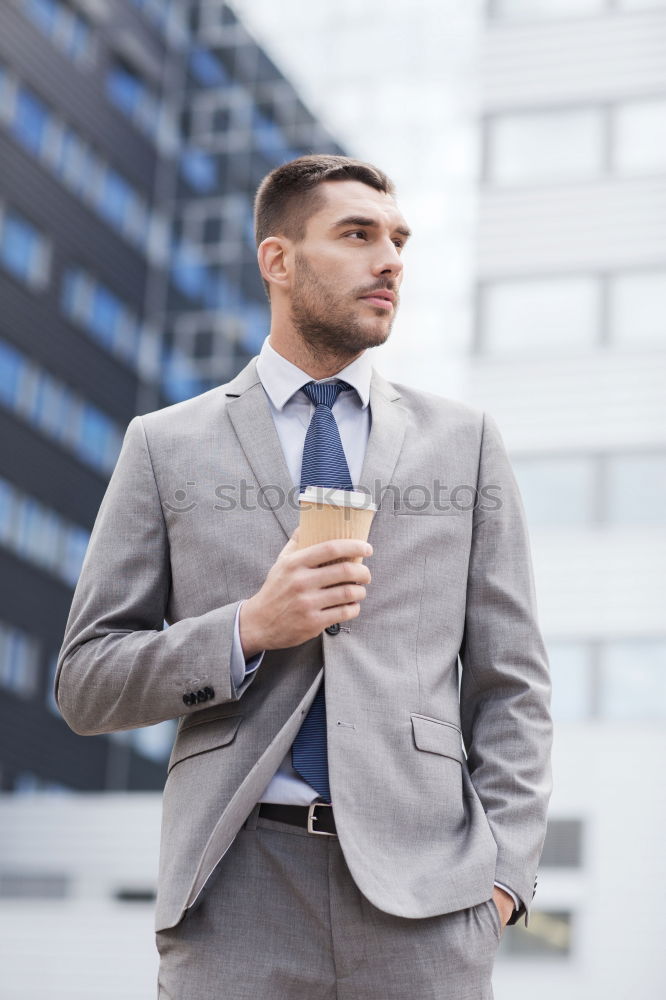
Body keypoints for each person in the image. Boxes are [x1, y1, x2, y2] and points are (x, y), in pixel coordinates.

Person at [56, 154, 553, 999]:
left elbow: (513, 685)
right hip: (233, 894)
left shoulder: (463, 443)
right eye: (357, 235)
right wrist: (246, 629)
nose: (390, 259)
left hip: (427, 902)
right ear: (278, 261)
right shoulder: (164, 445)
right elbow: (86, 682)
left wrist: (501, 879)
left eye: (398, 239)